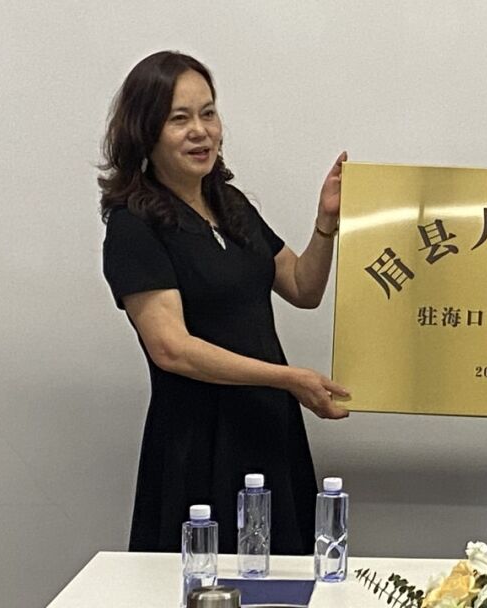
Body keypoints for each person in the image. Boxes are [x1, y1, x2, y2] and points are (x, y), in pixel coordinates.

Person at [99, 51, 350, 554]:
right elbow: (171, 349)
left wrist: (326, 223)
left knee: (283, 577)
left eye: (208, 113)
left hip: (267, 428)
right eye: (179, 119)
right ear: (145, 132)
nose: (201, 131)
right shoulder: (133, 226)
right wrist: (288, 378)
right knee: (208, 580)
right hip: (199, 442)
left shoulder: (229, 204)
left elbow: (302, 287)